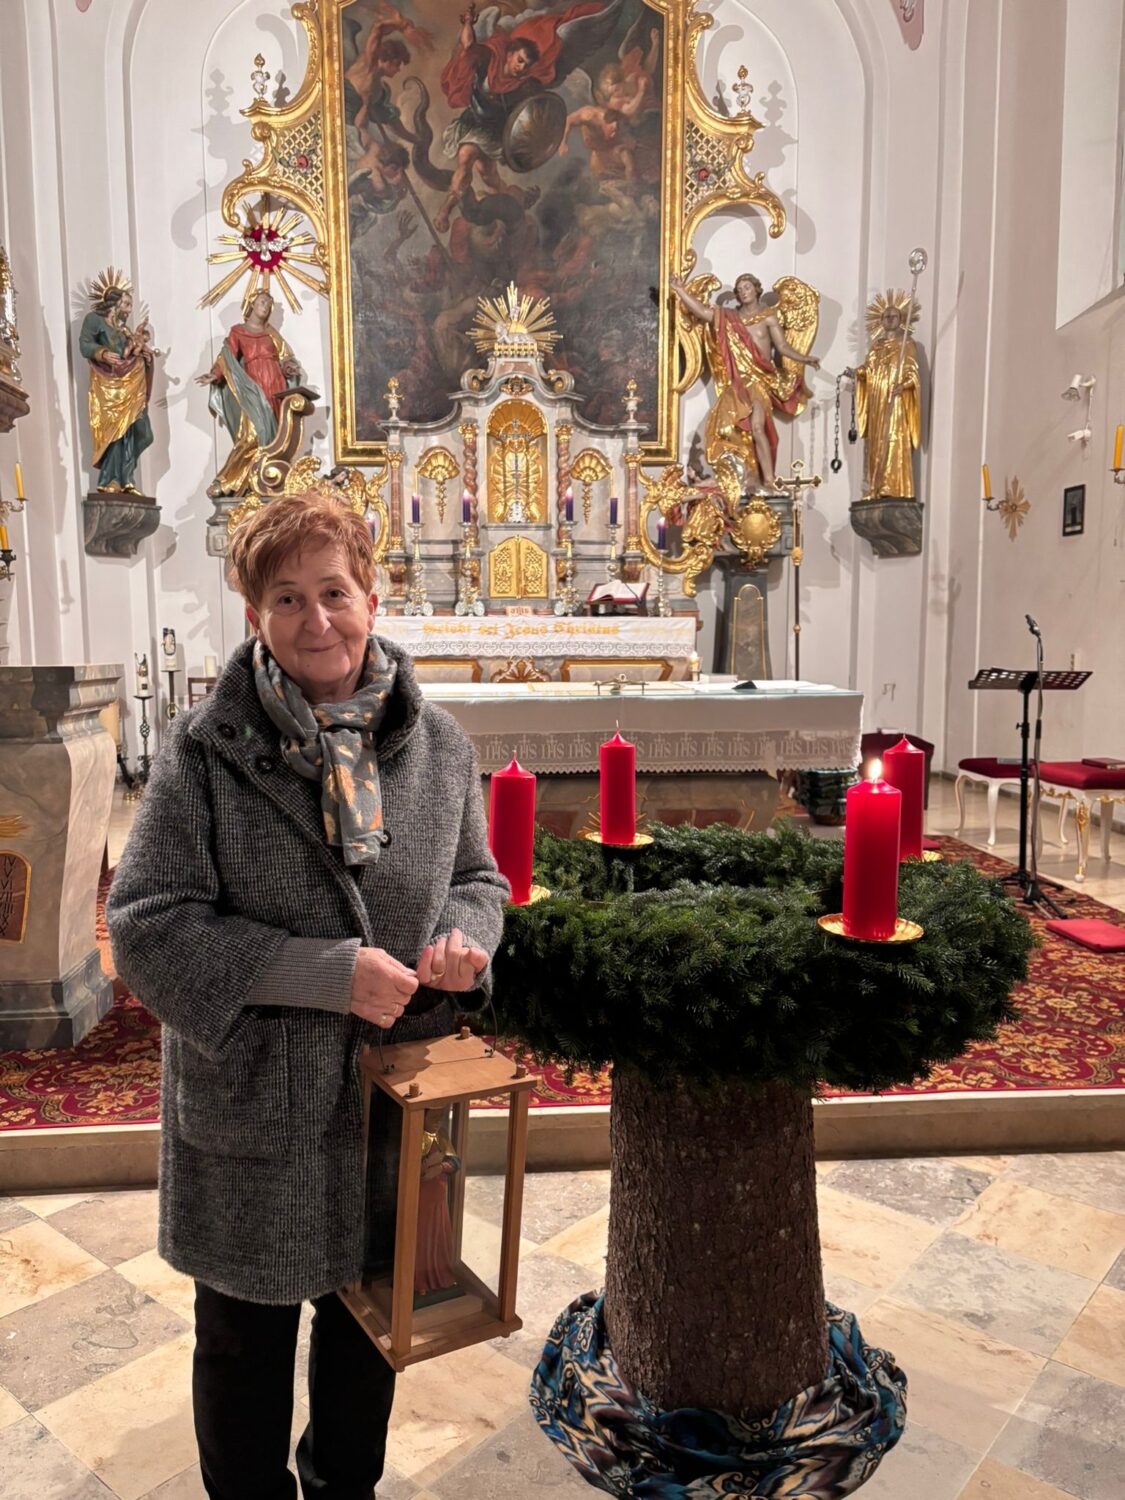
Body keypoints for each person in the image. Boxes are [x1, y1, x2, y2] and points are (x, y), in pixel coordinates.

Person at [106, 490, 508, 1500]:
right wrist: (327, 974)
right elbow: (147, 924)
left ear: (373, 597)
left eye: (334, 592)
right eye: (286, 598)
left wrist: (467, 940)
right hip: (256, 1102)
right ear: (254, 617)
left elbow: (477, 878)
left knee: (365, 1338)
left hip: (386, 1099)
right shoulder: (202, 752)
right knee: (242, 1344)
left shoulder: (439, 746)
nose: (315, 620)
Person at [671, 272, 819, 492]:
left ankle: (769, 479)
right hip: (737, 383)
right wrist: (680, 290)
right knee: (724, 426)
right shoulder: (730, 317)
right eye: (740, 290)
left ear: (756, 289)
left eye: (747, 287)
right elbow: (702, 312)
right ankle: (742, 475)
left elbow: (782, 347)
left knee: (758, 427)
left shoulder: (768, 317)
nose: (743, 292)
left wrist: (805, 358)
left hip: (759, 381)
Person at [198, 289, 303, 499]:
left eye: (269, 304)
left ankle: (261, 483)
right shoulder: (238, 331)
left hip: (275, 387)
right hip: (252, 389)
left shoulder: (272, 334)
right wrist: (215, 374)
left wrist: (289, 367)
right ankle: (225, 481)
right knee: (251, 435)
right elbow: (226, 357)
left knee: (272, 441)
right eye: (262, 302)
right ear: (252, 304)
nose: (266, 306)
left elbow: (286, 359)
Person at [79, 282, 155, 494]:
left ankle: (125, 477)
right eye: (127, 304)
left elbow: (129, 353)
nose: (130, 309)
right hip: (109, 386)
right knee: (116, 434)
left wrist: (145, 356)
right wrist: (102, 353)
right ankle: (112, 480)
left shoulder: (123, 330)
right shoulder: (94, 320)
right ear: (115, 303)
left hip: (131, 383)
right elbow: (85, 344)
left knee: (143, 433)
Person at [845, 296, 921, 501]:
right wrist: (857, 373)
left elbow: (913, 373)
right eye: (886, 316)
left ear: (901, 319)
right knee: (877, 442)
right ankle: (875, 487)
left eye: (894, 316)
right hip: (877, 401)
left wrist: (903, 386)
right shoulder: (876, 347)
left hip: (895, 399)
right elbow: (868, 370)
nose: (889, 319)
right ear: (880, 321)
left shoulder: (906, 345)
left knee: (893, 438)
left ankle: (893, 487)